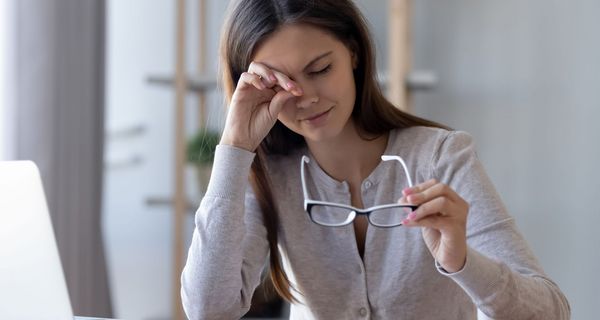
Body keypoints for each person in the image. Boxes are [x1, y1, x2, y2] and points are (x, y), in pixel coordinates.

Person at [181, 0, 571, 319]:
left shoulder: (440, 156)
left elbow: (551, 311)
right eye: (280, 85)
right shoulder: (267, 174)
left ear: (352, 52)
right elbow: (207, 309)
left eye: (320, 69)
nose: (307, 98)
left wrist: (462, 262)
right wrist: (235, 147)